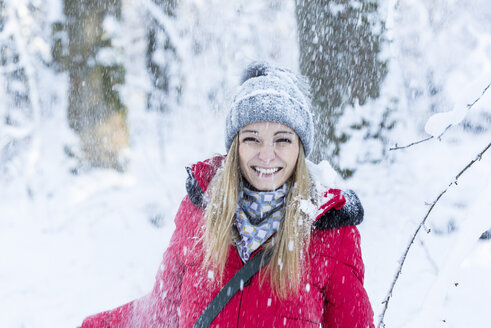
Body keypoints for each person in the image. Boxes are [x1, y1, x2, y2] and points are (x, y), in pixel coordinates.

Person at [81, 62, 374, 327]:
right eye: (252, 139)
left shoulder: (330, 232)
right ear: (236, 146)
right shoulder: (199, 214)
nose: (267, 154)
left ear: (300, 148)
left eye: (282, 139)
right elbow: (163, 309)